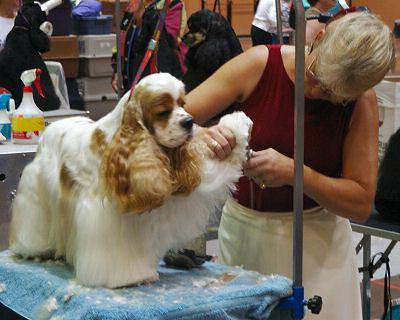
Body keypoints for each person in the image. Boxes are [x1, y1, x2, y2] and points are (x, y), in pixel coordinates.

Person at [185, 11, 395, 319]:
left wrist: (297, 174)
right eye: (317, 78)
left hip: (319, 252)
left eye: (334, 96)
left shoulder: (361, 100)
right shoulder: (259, 65)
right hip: (246, 238)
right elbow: (174, 117)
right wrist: (206, 134)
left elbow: (360, 202)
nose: (317, 93)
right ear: (318, 39)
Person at [111, 0, 187, 93]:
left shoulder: (172, 5)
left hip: (159, 84)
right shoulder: (133, 5)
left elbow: (169, 43)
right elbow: (122, 40)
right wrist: (117, 70)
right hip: (132, 83)